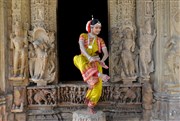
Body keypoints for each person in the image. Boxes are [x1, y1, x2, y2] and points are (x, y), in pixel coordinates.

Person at [73, 16, 110, 114]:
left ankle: (91, 105)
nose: (98, 30)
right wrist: (89, 58)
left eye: (100, 28)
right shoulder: (83, 36)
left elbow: (106, 53)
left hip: (95, 62)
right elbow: (82, 47)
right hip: (84, 59)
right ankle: (98, 75)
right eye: (96, 27)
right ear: (91, 27)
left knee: (98, 87)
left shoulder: (100, 40)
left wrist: (102, 61)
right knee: (78, 59)